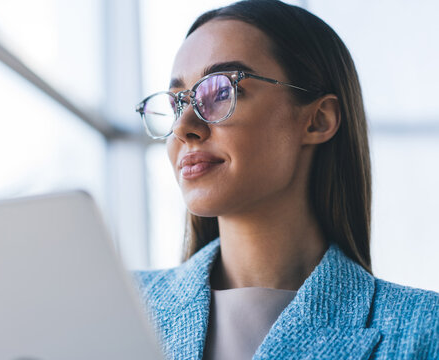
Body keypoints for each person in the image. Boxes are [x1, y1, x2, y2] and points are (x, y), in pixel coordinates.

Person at [133, 1, 439, 359]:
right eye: (176, 104)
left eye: (221, 92)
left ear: (318, 120)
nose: (184, 127)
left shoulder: (424, 330)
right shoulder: (118, 308)